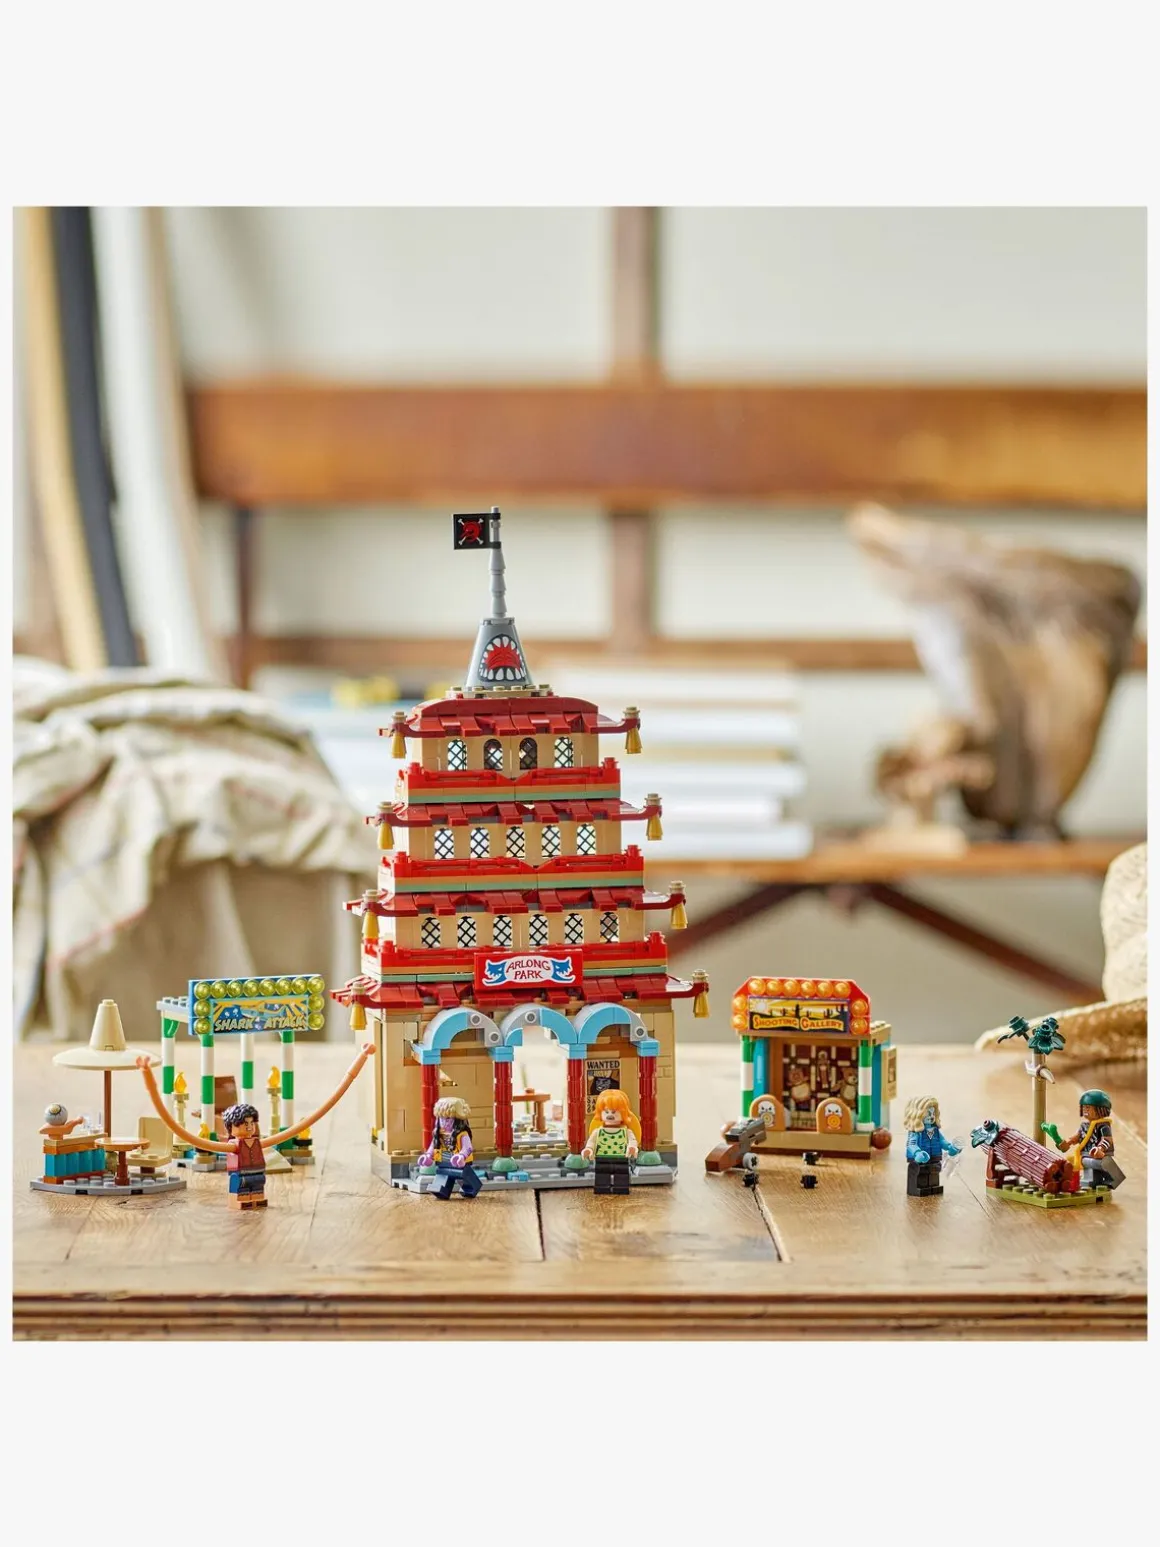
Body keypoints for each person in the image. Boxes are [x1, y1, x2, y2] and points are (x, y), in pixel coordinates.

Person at [136, 1042, 375, 1209]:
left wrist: (362, 1057)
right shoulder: (232, 1146)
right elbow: (184, 1132)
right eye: (244, 1124)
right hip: (240, 1176)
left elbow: (324, 1107)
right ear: (231, 1129)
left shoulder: (259, 1142)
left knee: (257, 1186)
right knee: (241, 1187)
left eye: (252, 1123)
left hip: (257, 1174)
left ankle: (256, 1198)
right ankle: (242, 1200)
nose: (249, 1128)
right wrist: (148, 1076)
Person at [1046, 1090, 1124, 1190]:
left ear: (1101, 1109)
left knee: (1104, 1164)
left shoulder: (1103, 1126)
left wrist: (1100, 1149)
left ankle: (1113, 1178)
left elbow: (1107, 1140)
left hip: (1100, 1156)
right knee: (1088, 1173)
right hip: (1086, 1155)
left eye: (1088, 1107)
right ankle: (1091, 1181)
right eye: (1083, 1107)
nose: (1085, 1110)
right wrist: (1068, 1143)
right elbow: (1077, 1137)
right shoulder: (1085, 1126)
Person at [418, 1096, 482, 1199]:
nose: (444, 1122)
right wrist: (428, 1156)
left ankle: (471, 1188)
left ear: (458, 1120)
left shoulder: (462, 1134)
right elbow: (433, 1146)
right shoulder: (438, 1134)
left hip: (459, 1163)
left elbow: (468, 1147)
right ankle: (441, 1190)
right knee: (442, 1176)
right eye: (441, 1118)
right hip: (443, 1162)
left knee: (464, 1176)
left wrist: (462, 1156)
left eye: (448, 1118)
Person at [582, 1089, 641, 1195]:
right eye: (606, 1111)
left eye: (614, 1112)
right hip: (602, 1157)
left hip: (621, 1157)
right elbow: (591, 1142)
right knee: (601, 1174)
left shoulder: (626, 1131)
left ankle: (621, 1188)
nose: (610, 1115)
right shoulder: (598, 1131)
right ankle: (602, 1188)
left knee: (622, 1174)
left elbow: (632, 1140)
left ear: (623, 1113)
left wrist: (632, 1147)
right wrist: (589, 1149)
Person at [903, 1095, 961, 1197]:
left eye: (933, 1113)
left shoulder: (935, 1130)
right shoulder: (916, 1131)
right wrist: (917, 1153)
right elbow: (911, 1144)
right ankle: (918, 1188)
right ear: (918, 1114)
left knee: (934, 1171)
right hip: (920, 1158)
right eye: (928, 1113)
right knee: (921, 1171)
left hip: (934, 1156)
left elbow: (941, 1141)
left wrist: (949, 1147)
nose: (931, 1116)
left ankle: (933, 1186)